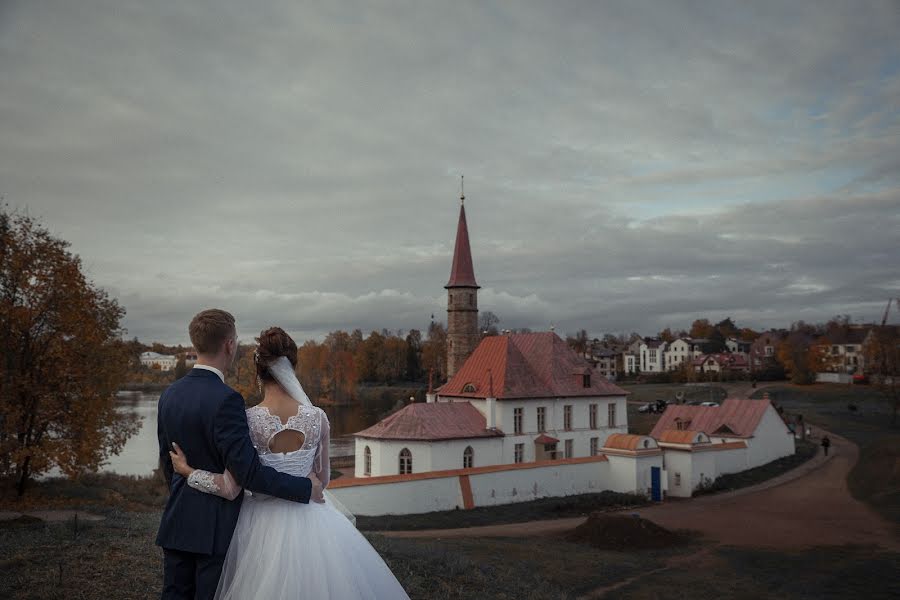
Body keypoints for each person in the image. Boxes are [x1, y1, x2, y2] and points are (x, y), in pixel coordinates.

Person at [169, 326, 410, 600]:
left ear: (258, 373)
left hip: (256, 523)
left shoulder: (246, 420)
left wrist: (188, 471)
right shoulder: (318, 418)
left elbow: (229, 488)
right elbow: (323, 480)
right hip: (313, 520)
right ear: (291, 368)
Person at [156, 310, 324, 600]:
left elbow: (167, 463)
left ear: (195, 343)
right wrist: (305, 487)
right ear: (230, 345)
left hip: (177, 524)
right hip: (215, 531)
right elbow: (248, 474)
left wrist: (186, 479)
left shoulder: (169, 394)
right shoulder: (227, 399)